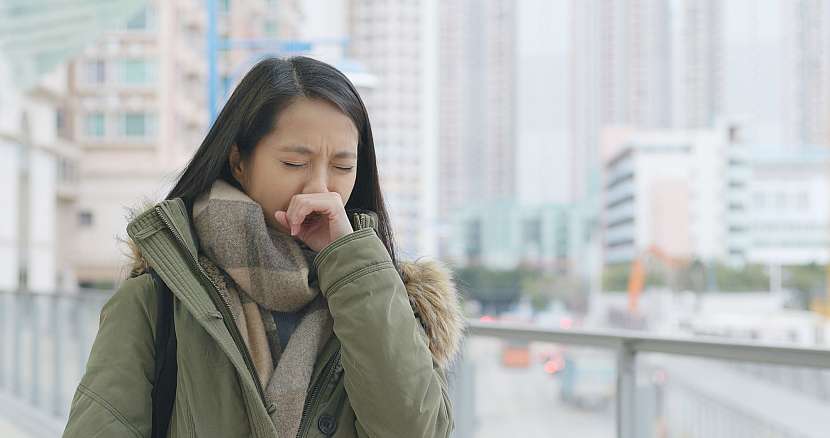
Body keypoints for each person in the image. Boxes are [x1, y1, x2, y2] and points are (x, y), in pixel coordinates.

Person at [63, 56, 464, 438]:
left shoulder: (384, 301)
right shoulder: (157, 299)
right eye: (294, 163)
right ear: (239, 162)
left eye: (343, 166)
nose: (320, 188)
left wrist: (349, 264)